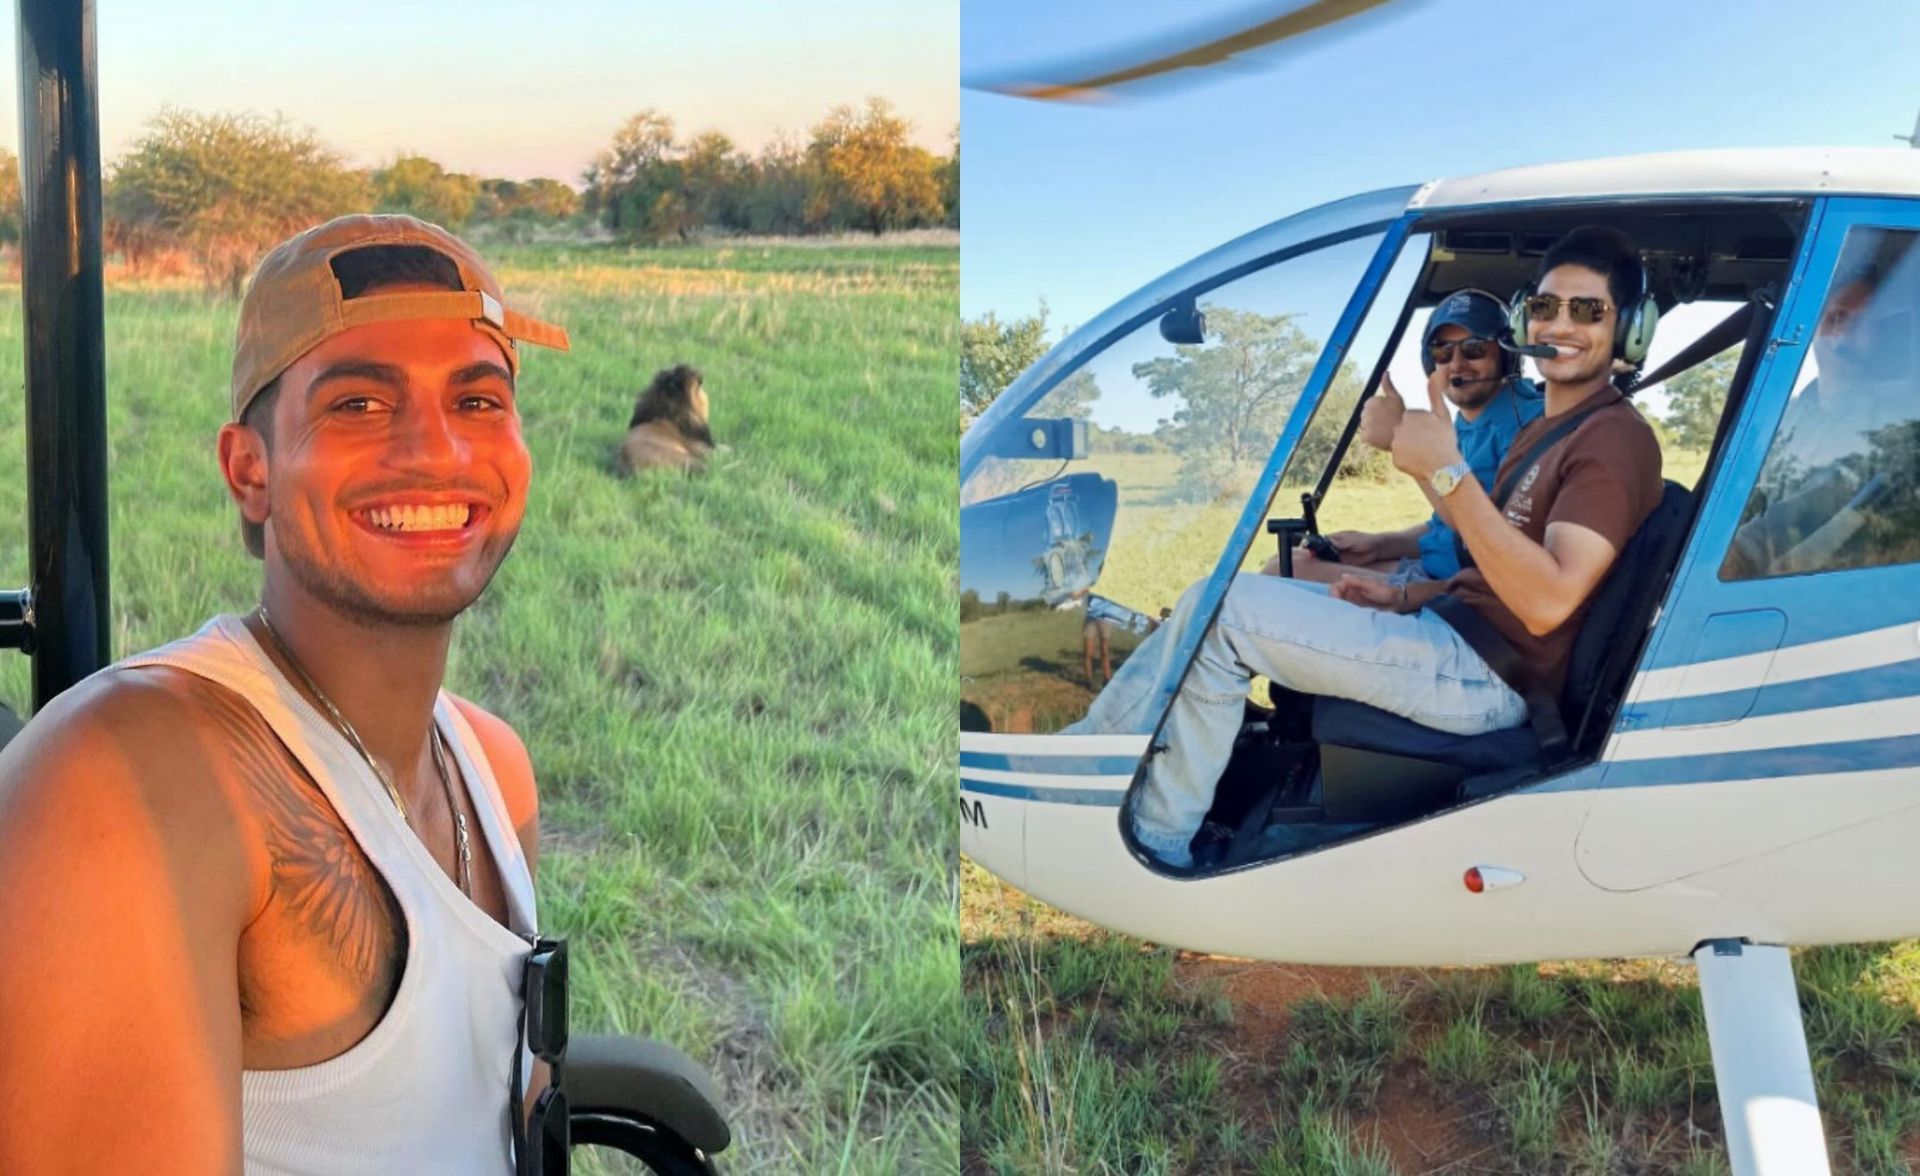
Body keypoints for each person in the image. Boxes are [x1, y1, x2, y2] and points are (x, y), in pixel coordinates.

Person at [0, 214, 570, 1172]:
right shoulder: (127, 785)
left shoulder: (494, 768)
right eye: (358, 404)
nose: (437, 451)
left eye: (478, 401)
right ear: (249, 470)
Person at [1070, 225, 1664, 869]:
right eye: (1546, 307)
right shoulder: (1554, 430)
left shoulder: (1611, 440)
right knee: (1227, 599)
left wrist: (1442, 471)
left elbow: (1547, 601)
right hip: (1458, 634)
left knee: (1223, 615)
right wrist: (1404, 592)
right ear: (1524, 319)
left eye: (1589, 311)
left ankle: (1137, 829)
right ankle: (1102, 764)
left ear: (1628, 328)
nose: (1562, 325)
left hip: (1486, 676)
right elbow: (1493, 565)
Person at [1268, 288, 1544, 590]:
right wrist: (1380, 544)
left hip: (1464, 591)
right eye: (1443, 351)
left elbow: (1489, 533)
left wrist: (1405, 442)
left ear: (1507, 355)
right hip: (1435, 569)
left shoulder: (1528, 421)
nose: (1456, 364)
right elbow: (1444, 527)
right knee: (1291, 561)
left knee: (1283, 570)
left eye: (1474, 348)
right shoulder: (1468, 421)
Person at [1726, 266, 1919, 577]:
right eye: (1838, 317)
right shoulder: (1782, 417)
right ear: (1815, 326)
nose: (1842, 332)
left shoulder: (1890, 424)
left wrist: (1741, 555)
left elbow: (1825, 499)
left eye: (1861, 324)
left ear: (1880, 336)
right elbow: (1747, 499)